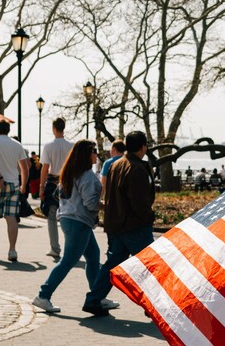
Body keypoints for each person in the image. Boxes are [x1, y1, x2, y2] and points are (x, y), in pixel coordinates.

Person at [82, 131, 155, 316]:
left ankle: (93, 299)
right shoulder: (137, 168)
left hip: (116, 224)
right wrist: (149, 216)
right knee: (149, 265)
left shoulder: (116, 165)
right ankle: (152, 305)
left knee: (112, 265)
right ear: (142, 147)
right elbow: (139, 200)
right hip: (135, 225)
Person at [32, 140, 104, 313]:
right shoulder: (86, 175)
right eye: (93, 151)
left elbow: (60, 195)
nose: (96, 154)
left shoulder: (69, 173)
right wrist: (106, 204)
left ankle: (97, 296)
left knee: (93, 256)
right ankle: (43, 295)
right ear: (86, 155)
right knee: (68, 261)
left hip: (70, 218)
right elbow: (91, 204)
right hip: (78, 221)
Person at [0, 119, 29, 262]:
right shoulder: (17, 145)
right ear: (8, 130)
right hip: (13, 184)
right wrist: (23, 185)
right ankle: (12, 250)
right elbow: (24, 168)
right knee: (11, 218)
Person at [40, 117, 74, 259]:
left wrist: (41, 187)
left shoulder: (48, 146)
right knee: (68, 216)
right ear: (64, 128)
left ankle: (55, 248)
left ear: (54, 128)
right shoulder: (71, 146)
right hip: (67, 182)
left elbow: (45, 168)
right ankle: (70, 248)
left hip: (53, 182)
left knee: (52, 216)